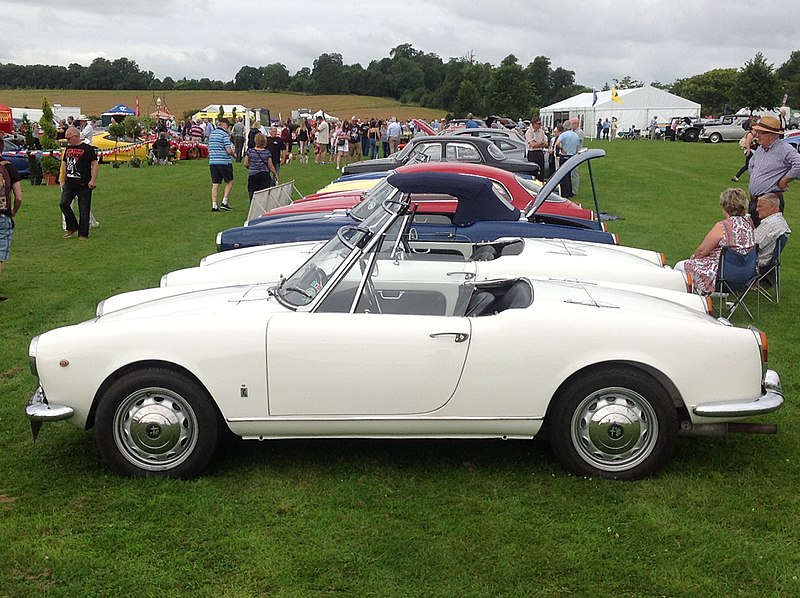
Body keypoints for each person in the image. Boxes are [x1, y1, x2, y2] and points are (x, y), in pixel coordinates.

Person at [674, 188, 755, 295]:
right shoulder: (748, 225)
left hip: (723, 275)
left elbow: (701, 251)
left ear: (725, 206)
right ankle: (708, 293)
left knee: (680, 266)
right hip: (746, 274)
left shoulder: (723, 226)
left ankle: (692, 299)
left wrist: (694, 257)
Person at [747, 116, 800, 224]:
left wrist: (784, 180)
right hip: (754, 201)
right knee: (752, 235)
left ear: (771, 135)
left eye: (761, 133)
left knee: (768, 236)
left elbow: (798, 163)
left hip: (769, 202)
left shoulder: (785, 149)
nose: (757, 135)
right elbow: (751, 164)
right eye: (757, 132)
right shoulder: (760, 149)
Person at [59, 126, 98, 239]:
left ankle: (83, 233)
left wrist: (93, 180)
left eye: (68, 138)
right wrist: (63, 179)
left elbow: (94, 164)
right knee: (64, 204)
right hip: (70, 184)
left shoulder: (87, 149)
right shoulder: (68, 149)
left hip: (84, 184)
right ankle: (72, 226)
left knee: (84, 209)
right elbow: (65, 164)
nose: (67, 140)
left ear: (76, 136)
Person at [0, 155, 23, 301]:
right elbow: (19, 197)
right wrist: (13, 211)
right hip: (2, 215)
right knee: (0, 254)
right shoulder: (8, 166)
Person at [753, 193, 791, 268]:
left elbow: (750, 245)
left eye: (760, 206)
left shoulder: (769, 224)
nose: (757, 209)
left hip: (754, 264)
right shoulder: (780, 221)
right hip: (766, 263)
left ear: (772, 207)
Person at [208, 119, 234, 212]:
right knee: (230, 181)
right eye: (227, 125)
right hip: (224, 161)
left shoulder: (212, 134)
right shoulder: (224, 135)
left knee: (215, 184)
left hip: (213, 162)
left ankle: (214, 205)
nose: (228, 127)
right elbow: (228, 150)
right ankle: (224, 201)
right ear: (223, 124)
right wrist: (234, 155)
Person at [243, 132, 278, 201]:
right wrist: (275, 174)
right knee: (264, 194)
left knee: (252, 192)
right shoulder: (267, 152)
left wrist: (251, 167)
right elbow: (270, 165)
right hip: (264, 175)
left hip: (253, 175)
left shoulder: (250, 151)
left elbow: (245, 163)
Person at [556, 121, 580, 198]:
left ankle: (565, 193)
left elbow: (557, 143)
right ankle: (570, 191)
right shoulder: (576, 136)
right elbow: (577, 147)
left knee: (563, 175)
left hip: (564, 155)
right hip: (572, 156)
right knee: (569, 174)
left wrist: (562, 148)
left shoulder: (563, 135)